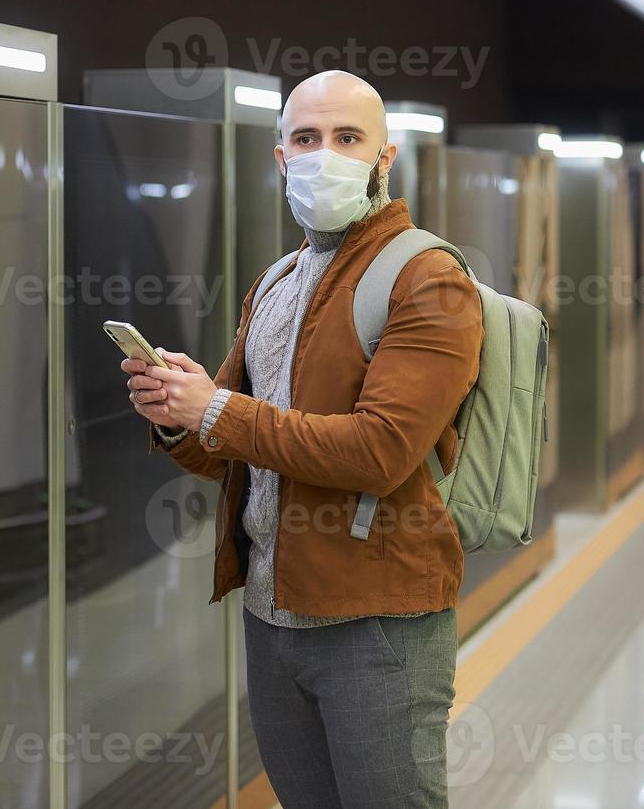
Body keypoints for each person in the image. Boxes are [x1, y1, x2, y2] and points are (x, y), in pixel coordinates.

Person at [121, 70, 483, 808]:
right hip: (271, 614)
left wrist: (216, 408)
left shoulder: (428, 278)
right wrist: (176, 410)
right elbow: (230, 445)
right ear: (281, 157)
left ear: (385, 157)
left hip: (378, 622)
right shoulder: (279, 279)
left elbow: (379, 452)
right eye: (307, 139)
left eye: (348, 139)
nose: (326, 155)